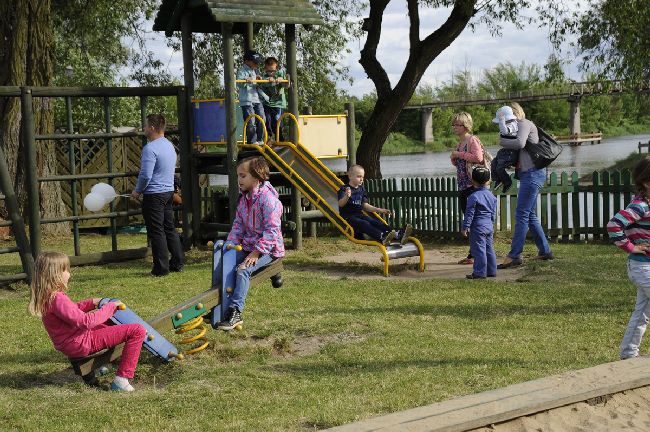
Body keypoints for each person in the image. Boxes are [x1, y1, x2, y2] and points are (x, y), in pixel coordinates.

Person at [28, 251, 146, 391]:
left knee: (108, 325)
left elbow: (71, 310)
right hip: (81, 342)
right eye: (67, 270)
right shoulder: (57, 298)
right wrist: (109, 308)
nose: (70, 274)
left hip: (71, 343)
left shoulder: (48, 297)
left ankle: (100, 366)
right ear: (56, 274)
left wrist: (91, 303)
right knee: (137, 330)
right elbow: (85, 322)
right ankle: (122, 378)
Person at [214, 156, 285, 330]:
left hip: (268, 249)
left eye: (243, 176)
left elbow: (272, 231)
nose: (239, 180)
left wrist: (257, 252)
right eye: (238, 175)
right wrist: (230, 246)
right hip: (248, 245)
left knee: (243, 270)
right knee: (224, 262)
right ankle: (217, 305)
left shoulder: (268, 201)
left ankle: (236, 312)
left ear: (257, 177)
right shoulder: (244, 199)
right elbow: (238, 226)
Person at [497, 102, 554, 269]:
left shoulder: (523, 124)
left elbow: (520, 143)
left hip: (532, 175)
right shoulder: (519, 126)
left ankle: (514, 255)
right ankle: (545, 251)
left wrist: (501, 141)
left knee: (521, 214)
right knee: (529, 215)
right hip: (530, 174)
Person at [607, 156, 650, 359]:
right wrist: (630, 247)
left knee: (642, 312)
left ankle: (629, 353)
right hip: (642, 268)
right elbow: (614, 225)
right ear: (647, 183)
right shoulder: (640, 206)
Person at [132, 114, 185, 277]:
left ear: (153, 128)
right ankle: (177, 262)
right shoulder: (169, 146)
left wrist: (138, 190)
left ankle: (161, 268)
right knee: (169, 228)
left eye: (146, 126)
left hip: (154, 194)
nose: (144, 129)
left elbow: (146, 175)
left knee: (156, 231)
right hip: (168, 192)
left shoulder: (150, 148)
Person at [338, 164, 412, 246]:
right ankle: (381, 237)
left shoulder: (361, 189)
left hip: (359, 215)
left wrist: (379, 210)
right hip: (348, 217)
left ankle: (397, 234)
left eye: (362, 177)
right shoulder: (344, 189)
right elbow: (341, 204)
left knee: (374, 221)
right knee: (364, 223)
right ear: (350, 176)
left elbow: (364, 205)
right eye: (359, 176)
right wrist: (346, 197)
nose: (361, 179)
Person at [450, 112, 485, 265]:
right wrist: (454, 157)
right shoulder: (460, 142)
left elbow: (478, 158)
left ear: (465, 126)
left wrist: (459, 154)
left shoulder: (472, 140)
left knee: (474, 220)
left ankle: (474, 254)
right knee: (469, 219)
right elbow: (459, 164)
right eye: (454, 124)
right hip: (464, 186)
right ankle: (473, 253)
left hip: (473, 186)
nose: (454, 127)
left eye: (457, 124)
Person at [462, 167, 497, 279]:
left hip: (478, 227)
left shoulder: (473, 196)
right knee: (489, 249)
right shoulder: (491, 195)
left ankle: (479, 272)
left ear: (473, 181)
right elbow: (493, 212)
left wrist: (465, 227)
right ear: (488, 181)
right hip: (488, 226)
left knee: (479, 250)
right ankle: (491, 271)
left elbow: (469, 214)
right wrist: (492, 222)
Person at [236, 50, 265, 144]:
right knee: (251, 120)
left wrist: (258, 80)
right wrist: (245, 80)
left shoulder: (255, 71)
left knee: (262, 118)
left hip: (256, 99)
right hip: (247, 100)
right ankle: (252, 141)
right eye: (255, 62)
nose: (257, 64)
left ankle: (260, 139)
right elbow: (238, 83)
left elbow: (257, 84)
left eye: (258, 62)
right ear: (247, 61)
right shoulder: (242, 71)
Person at [258, 57, 289, 142]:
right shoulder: (264, 76)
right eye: (269, 71)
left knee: (277, 121)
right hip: (267, 103)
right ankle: (269, 137)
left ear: (277, 69)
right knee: (267, 120)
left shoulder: (280, 73)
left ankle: (280, 138)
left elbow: (286, 84)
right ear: (265, 69)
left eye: (273, 71)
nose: (271, 73)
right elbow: (263, 83)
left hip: (278, 103)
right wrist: (269, 80)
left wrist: (281, 80)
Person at [491, 106, 519, 192]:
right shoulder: (506, 124)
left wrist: (501, 121)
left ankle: (507, 182)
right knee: (494, 163)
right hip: (505, 151)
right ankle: (497, 180)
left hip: (512, 152)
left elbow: (505, 131)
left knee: (500, 167)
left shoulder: (513, 125)